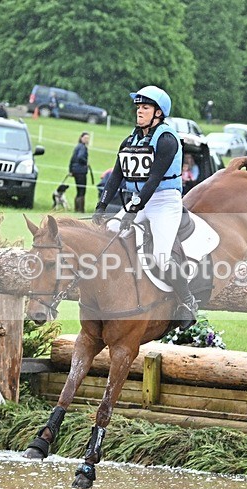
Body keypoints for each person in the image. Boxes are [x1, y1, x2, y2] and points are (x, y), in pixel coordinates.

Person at [93, 85, 198, 329]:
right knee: (109, 233)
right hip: (139, 201)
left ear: (159, 112)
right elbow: (116, 175)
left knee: (162, 257)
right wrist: (102, 204)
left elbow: (153, 179)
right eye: (138, 107)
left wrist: (132, 210)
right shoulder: (130, 139)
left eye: (145, 107)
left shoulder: (168, 140)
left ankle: (188, 302)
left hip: (163, 202)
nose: (139, 111)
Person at [68, 132, 90, 212]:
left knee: (78, 190)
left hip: (75, 170)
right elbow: (80, 157)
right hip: (81, 171)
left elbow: (72, 159)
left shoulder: (77, 146)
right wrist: (86, 163)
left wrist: (70, 170)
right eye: (85, 138)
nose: (87, 140)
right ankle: (80, 209)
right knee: (82, 190)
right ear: (81, 138)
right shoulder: (83, 147)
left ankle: (76, 208)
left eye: (88, 138)